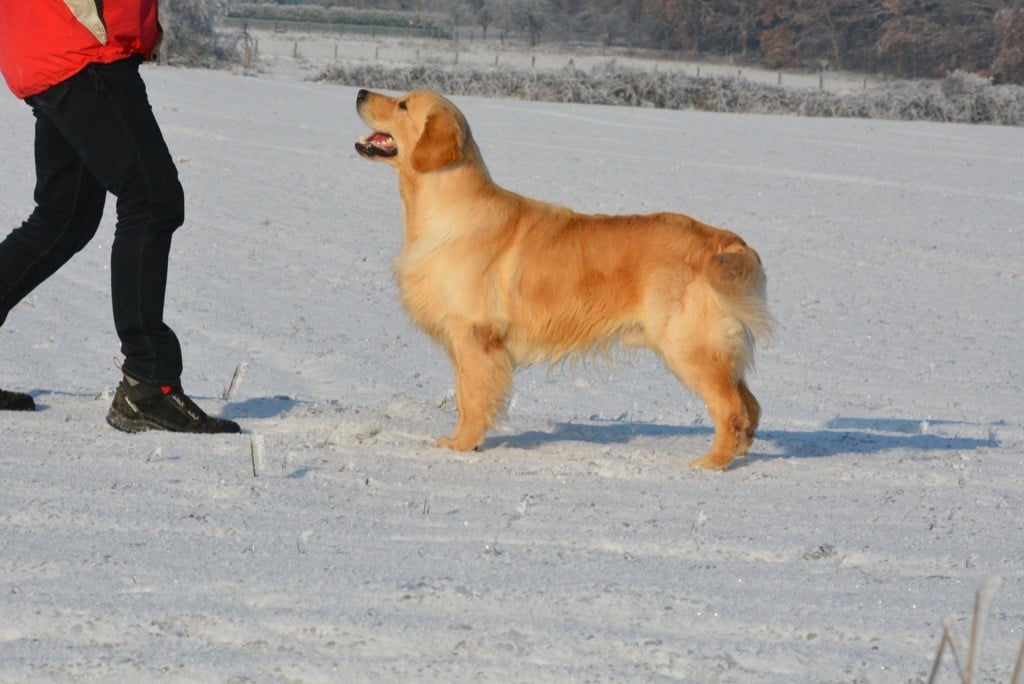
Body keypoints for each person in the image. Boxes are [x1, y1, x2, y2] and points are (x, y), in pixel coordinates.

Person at [0, 1, 240, 433]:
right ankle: (146, 383)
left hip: (47, 45)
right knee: (152, 199)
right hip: (81, 45)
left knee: (63, 218)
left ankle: (146, 381)